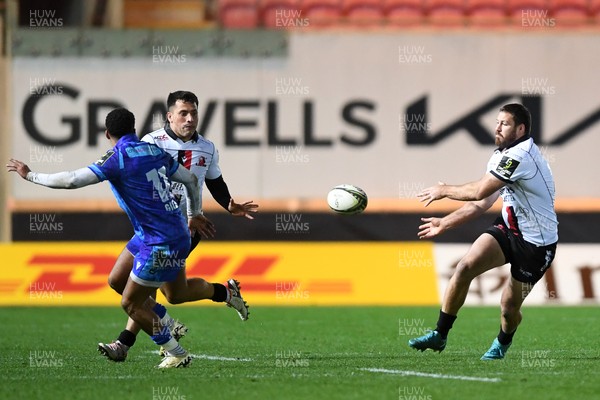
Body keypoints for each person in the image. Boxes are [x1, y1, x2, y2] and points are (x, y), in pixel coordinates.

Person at [7, 108, 221, 368]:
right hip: (168, 231)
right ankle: (164, 319)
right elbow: (189, 179)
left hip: (160, 240)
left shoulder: (117, 158)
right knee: (118, 280)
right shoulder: (152, 150)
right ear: (134, 129)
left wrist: (30, 175)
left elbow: (72, 180)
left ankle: (175, 351)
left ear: (107, 134)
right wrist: (195, 213)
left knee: (130, 303)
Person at [98, 90, 258, 362]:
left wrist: (228, 204)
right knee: (156, 289)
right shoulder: (151, 142)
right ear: (169, 116)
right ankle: (224, 292)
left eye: (194, 112)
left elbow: (213, 180)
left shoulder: (206, 147)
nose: (190, 118)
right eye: (183, 113)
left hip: (183, 230)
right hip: (149, 227)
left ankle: (124, 343)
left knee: (142, 292)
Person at [409, 103, 558, 360]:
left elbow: (478, 190)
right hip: (509, 229)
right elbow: (482, 202)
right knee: (465, 267)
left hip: (537, 244)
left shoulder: (520, 156)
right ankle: (440, 334)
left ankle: (502, 342)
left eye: (505, 123)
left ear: (521, 129)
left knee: (509, 308)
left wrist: (444, 191)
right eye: (497, 122)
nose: (498, 127)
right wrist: (446, 222)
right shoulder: (502, 154)